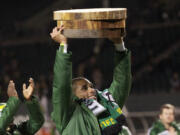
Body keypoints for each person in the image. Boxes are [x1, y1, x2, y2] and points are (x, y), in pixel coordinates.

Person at [50, 26, 132, 135]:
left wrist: (119, 44)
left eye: (91, 86)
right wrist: (63, 45)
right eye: (84, 88)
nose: (92, 90)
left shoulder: (106, 102)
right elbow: (61, 85)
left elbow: (122, 81)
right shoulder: (68, 113)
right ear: (72, 95)